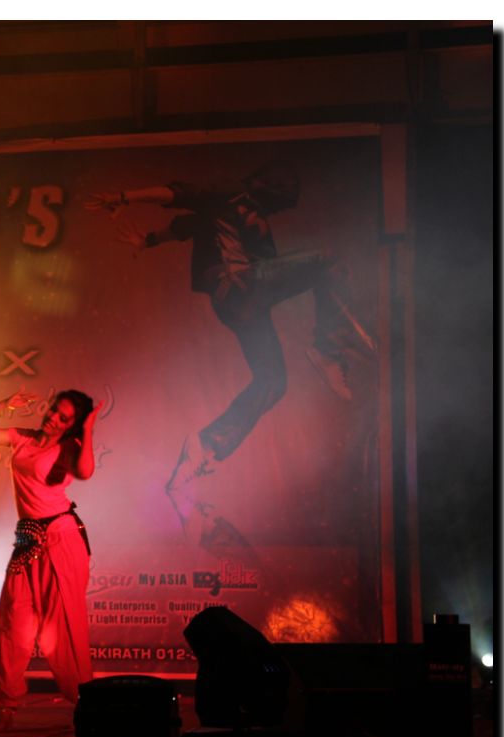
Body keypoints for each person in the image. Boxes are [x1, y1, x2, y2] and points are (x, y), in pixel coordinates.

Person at [85, 164, 374, 492]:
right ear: (265, 186)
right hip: (240, 283)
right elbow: (178, 193)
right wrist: (126, 197)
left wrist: (148, 240)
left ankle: (205, 448)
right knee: (326, 260)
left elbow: (183, 226)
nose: (277, 209)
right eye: (280, 201)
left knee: (273, 382)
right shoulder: (229, 193)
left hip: (243, 305)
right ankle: (328, 349)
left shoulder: (231, 213)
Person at [0, 389, 98, 730]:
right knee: (14, 621)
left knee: (63, 626)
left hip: (62, 538)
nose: (53, 418)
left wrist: (88, 431)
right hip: (27, 537)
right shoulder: (24, 438)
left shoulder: (69, 448)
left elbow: (85, 472)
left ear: (72, 425)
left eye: (64, 418)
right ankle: (7, 707)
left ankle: (88, 705)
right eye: (53, 410)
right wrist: (4, 404)